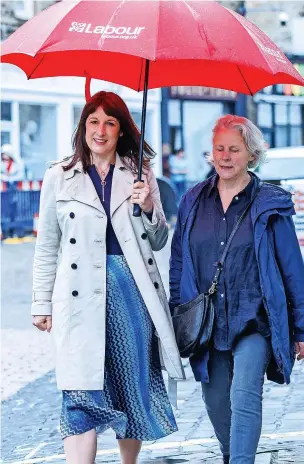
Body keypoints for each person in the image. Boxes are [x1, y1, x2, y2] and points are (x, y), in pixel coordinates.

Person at [31, 91, 184, 464]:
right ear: (83, 127)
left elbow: (161, 239)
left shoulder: (139, 174)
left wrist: (148, 204)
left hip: (130, 292)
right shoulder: (59, 175)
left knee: (132, 386)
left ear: (121, 130)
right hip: (79, 298)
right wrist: (41, 302)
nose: (101, 131)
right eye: (93, 122)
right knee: (79, 392)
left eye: (110, 123)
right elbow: (47, 245)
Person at [169, 114, 304, 464]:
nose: (225, 156)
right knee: (215, 402)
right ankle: (233, 455)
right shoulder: (192, 201)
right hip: (207, 322)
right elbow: (179, 263)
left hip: (255, 318)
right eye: (219, 149)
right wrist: (175, 314)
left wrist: (301, 326)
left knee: (244, 396)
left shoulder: (271, 204)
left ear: (251, 155)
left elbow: (293, 270)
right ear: (211, 154)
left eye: (234, 149)